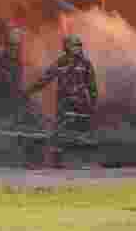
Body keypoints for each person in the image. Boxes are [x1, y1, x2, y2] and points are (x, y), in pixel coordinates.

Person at [25, 34, 98, 167]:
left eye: (79, 45)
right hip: (64, 102)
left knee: (82, 131)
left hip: (80, 102)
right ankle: (57, 161)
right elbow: (46, 78)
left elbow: (92, 86)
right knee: (59, 131)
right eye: (74, 45)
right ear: (67, 47)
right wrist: (30, 90)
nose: (78, 48)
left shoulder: (86, 64)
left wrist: (93, 102)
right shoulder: (60, 62)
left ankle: (83, 159)